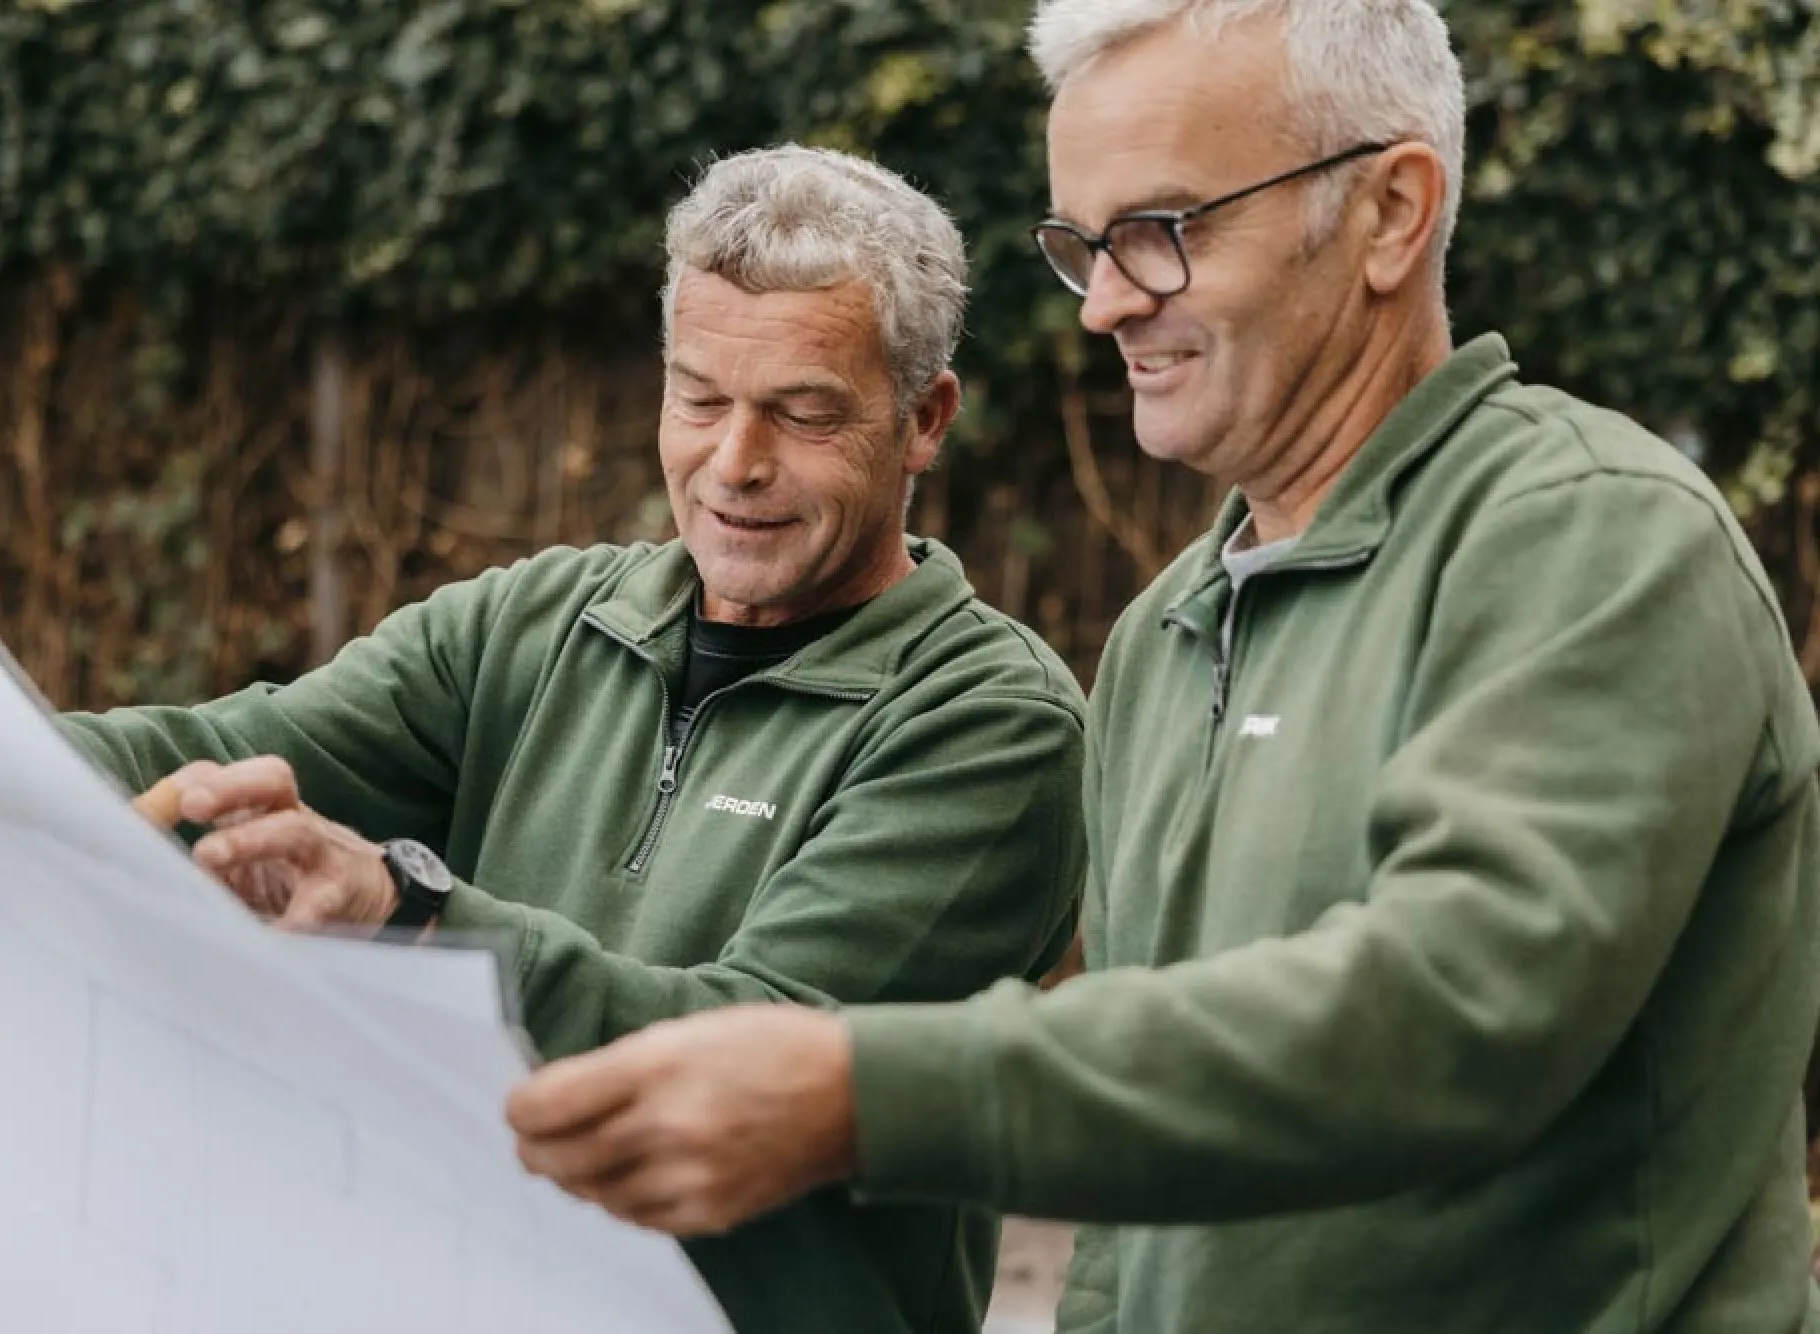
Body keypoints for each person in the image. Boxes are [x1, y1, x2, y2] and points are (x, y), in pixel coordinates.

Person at [502, 4, 1820, 1331]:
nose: (1109, 302)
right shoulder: (1165, 630)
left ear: (1389, 212)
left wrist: (864, 1091)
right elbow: (1132, 1239)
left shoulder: (1594, 534)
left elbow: (1451, 1017)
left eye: (1164, 231)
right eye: (1086, 245)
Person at [0, 144, 1090, 1334]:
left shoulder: (986, 723)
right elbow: (221, 748)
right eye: (697, 396)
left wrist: (415, 913)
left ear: (924, 419)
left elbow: (750, 1049)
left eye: (803, 413)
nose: (732, 461)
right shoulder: (539, 621)